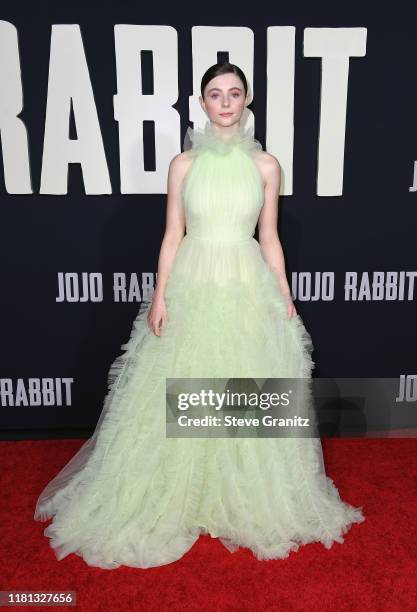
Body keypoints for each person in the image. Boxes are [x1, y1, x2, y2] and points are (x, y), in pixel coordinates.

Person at [34, 62, 365, 569]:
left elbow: (270, 236)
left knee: (245, 381)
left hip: (244, 278)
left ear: (248, 100)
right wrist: (161, 295)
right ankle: (185, 495)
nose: (226, 102)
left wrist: (283, 292)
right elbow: (172, 234)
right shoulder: (183, 165)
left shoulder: (267, 166)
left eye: (235, 93)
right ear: (202, 102)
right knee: (181, 381)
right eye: (216, 94)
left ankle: (232, 496)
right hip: (193, 278)